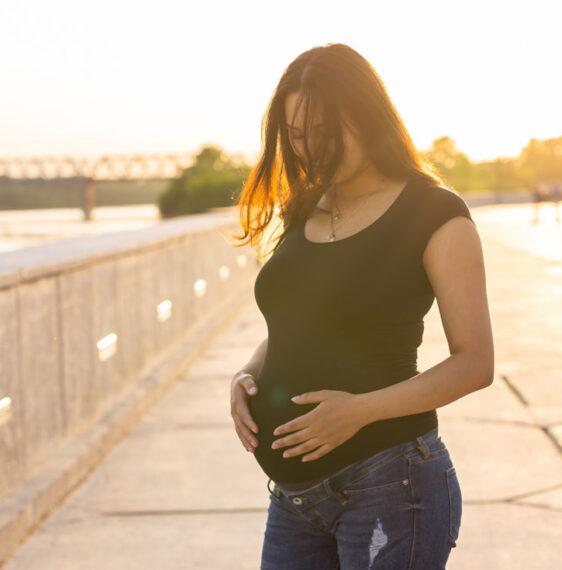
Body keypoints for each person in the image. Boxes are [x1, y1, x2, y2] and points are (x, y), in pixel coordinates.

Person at [228, 43, 494, 570]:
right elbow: (296, 325)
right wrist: (246, 373)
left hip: (391, 483)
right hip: (295, 498)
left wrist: (359, 410)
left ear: (367, 117)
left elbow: (475, 363)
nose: (310, 151)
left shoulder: (435, 214)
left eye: (325, 133)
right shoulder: (305, 205)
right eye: (297, 136)